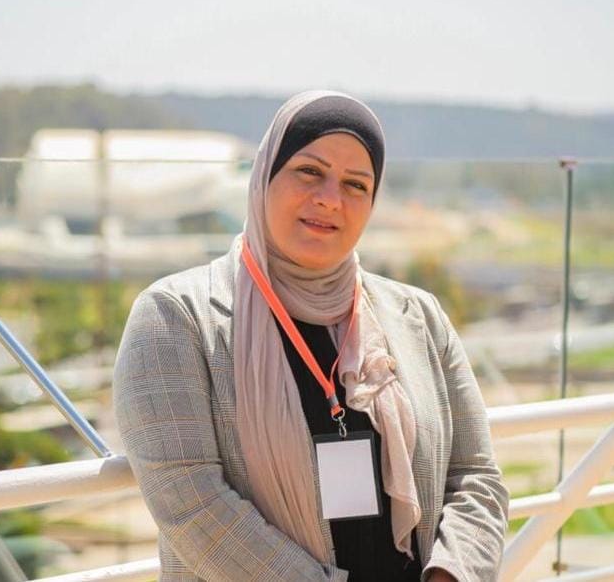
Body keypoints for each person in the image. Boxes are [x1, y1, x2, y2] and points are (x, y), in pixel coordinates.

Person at [113, 91, 509, 582]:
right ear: (264, 176)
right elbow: (192, 505)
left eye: (356, 184)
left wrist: (450, 576)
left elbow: (476, 478)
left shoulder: (418, 317)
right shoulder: (175, 317)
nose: (329, 199)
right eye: (308, 172)